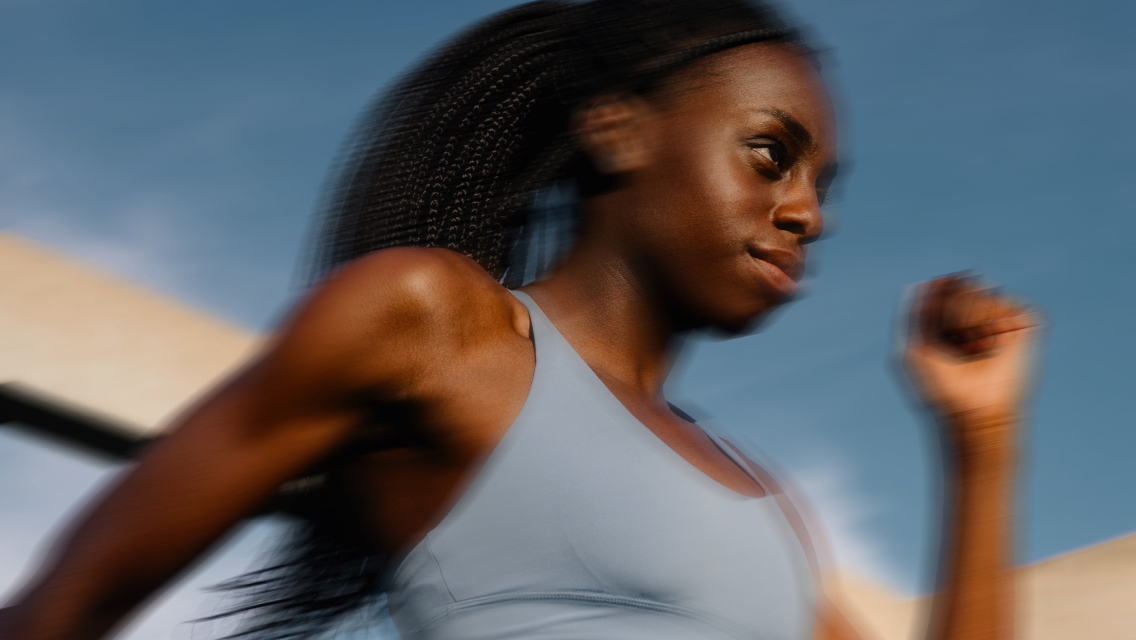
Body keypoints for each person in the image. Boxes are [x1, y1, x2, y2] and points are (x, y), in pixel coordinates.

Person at [0, 0, 1039, 639]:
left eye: (822, 179)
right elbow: (67, 602)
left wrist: (979, 438)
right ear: (616, 129)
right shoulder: (434, 324)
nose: (809, 210)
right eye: (770, 153)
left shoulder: (759, 503)